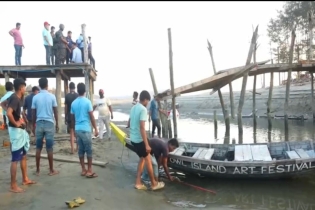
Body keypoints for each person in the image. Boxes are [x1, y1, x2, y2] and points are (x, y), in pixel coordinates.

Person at [127, 90, 164, 191]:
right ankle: (153, 184)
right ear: (146, 100)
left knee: (142, 159)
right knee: (148, 160)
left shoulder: (133, 107)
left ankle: (138, 182)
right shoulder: (143, 109)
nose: (148, 103)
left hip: (133, 139)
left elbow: (130, 122)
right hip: (139, 140)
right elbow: (142, 128)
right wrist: (147, 144)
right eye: (148, 101)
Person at [7, 78, 36, 193]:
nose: (25, 88)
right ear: (21, 87)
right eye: (24, 87)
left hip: (20, 131)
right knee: (15, 159)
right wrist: (16, 123)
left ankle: (25, 178)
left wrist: (21, 117)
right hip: (16, 131)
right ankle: (13, 185)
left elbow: (6, 106)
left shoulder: (18, 98)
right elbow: (9, 113)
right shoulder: (14, 98)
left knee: (23, 155)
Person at [31, 77, 59, 176]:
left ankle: (38, 170)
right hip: (49, 123)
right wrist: (57, 124)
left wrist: (34, 126)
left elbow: (33, 113)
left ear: (39, 85)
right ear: (47, 85)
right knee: (49, 148)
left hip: (39, 122)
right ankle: (51, 170)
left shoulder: (35, 97)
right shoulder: (52, 97)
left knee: (38, 148)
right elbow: (55, 111)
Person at [71, 83, 98, 178]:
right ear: (85, 91)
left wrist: (74, 129)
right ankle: (89, 170)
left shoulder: (73, 103)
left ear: (77, 91)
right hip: (86, 129)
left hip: (78, 129)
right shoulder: (87, 102)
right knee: (89, 150)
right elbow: (91, 116)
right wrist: (95, 128)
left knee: (81, 150)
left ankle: (83, 169)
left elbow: (73, 117)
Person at [65, 82, 78, 154]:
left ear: (69, 88)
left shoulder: (67, 96)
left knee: (71, 133)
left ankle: (72, 149)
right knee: (77, 132)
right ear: (75, 87)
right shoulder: (77, 95)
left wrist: (66, 117)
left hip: (70, 116)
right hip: (76, 116)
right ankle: (77, 147)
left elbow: (66, 107)